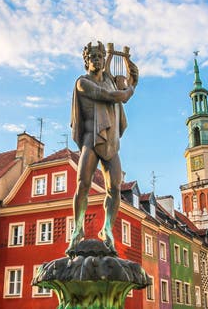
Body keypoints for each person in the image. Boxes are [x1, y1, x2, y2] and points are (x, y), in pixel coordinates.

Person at [66, 41, 138, 257]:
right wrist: (127, 92)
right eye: (93, 58)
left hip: (109, 143)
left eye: (100, 57)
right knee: (83, 184)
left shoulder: (109, 80)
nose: (97, 60)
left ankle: (107, 229)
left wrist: (132, 77)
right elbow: (108, 96)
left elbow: (127, 83)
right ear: (86, 61)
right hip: (90, 138)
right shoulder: (83, 83)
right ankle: (77, 230)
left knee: (115, 187)